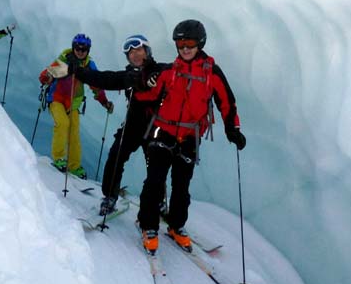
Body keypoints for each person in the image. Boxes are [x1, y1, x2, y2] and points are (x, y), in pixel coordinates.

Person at [136, 20, 247, 255]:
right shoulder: (168, 71)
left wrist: (232, 129)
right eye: (180, 43)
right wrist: (141, 83)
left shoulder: (211, 73)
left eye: (190, 43)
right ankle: (148, 225)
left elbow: (226, 101)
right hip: (162, 131)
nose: (184, 48)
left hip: (189, 136)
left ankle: (176, 225)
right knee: (155, 180)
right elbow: (149, 94)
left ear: (200, 43)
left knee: (181, 186)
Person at [71, 35, 170, 216]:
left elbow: (177, 71)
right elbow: (104, 79)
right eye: (130, 53)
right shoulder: (128, 76)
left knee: (155, 167)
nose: (134, 55)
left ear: (147, 51)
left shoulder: (162, 70)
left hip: (155, 128)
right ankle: (110, 197)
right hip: (132, 127)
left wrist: (159, 76)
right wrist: (78, 72)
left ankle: (159, 201)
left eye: (138, 50)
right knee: (115, 158)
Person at [39, 34, 113, 179]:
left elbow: (96, 85)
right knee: (62, 124)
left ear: (88, 50)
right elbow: (45, 75)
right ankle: (59, 158)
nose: (80, 51)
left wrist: (104, 102)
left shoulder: (88, 66)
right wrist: (49, 77)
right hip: (56, 100)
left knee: (74, 133)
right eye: (77, 48)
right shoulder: (65, 60)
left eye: (84, 49)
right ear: (73, 48)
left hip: (73, 104)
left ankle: (74, 166)